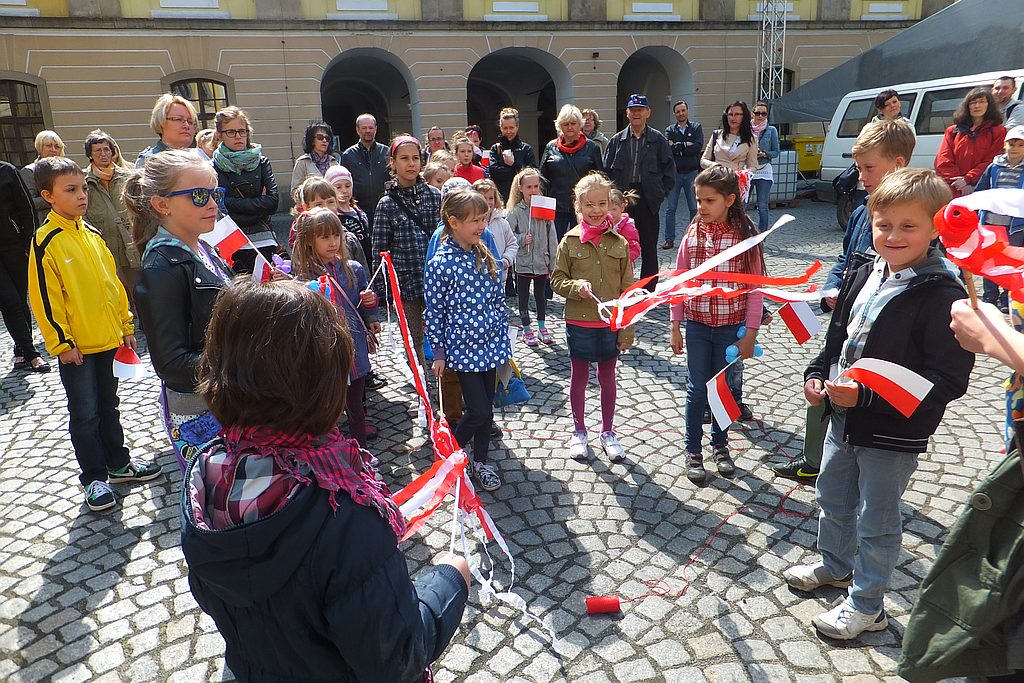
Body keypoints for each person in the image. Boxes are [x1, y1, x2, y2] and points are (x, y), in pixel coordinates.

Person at [180, 279, 470, 682]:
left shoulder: (206, 477)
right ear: (326, 382)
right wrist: (449, 580)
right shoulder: (345, 510)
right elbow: (396, 657)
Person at [783, 168, 974, 640]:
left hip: (892, 431)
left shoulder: (944, 296)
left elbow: (947, 380)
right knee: (832, 496)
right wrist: (815, 373)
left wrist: (867, 394)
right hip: (841, 417)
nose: (892, 235)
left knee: (877, 517)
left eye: (908, 226)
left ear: (935, 229)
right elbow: (840, 340)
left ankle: (868, 605)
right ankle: (835, 566)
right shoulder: (866, 272)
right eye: (883, 224)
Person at [776, 117, 915, 484]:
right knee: (821, 382)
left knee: (852, 400)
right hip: (844, 326)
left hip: (876, 338)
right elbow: (844, 260)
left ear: (898, 164)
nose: (861, 175)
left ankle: (846, 467)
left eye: (868, 167)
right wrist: (834, 287)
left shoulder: (914, 222)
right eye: (858, 167)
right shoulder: (859, 212)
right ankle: (814, 460)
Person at [28, 157, 162, 511]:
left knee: (109, 405)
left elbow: (113, 285)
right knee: (85, 413)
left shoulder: (92, 234)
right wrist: (62, 343)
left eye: (83, 188)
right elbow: (45, 299)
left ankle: (118, 464)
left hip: (108, 340)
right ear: (49, 196)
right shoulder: (46, 240)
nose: (81, 196)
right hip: (78, 349)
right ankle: (94, 478)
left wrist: (125, 326)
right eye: (70, 190)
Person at [128, 149, 233, 471]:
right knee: (219, 497)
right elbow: (172, 363)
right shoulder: (161, 268)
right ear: (162, 205)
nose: (213, 204)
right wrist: (245, 360)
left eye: (216, 193)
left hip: (227, 395)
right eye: (200, 196)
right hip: (202, 406)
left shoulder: (203, 247)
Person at [671, 166, 765, 484]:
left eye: (709, 200)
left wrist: (750, 333)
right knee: (697, 389)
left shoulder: (745, 237)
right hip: (697, 326)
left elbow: (755, 289)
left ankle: (720, 446)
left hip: (729, 328)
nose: (701, 206)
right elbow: (679, 282)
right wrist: (675, 324)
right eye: (698, 200)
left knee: (721, 390)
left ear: (729, 199)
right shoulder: (692, 234)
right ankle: (693, 451)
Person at [425, 189, 511, 491]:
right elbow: (434, 312)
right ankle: (449, 456)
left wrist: (503, 334)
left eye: (484, 219)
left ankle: (481, 461)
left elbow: (498, 299)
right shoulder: (440, 265)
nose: (481, 226)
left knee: (487, 408)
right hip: (462, 351)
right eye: (475, 220)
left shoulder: (483, 253)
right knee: (479, 410)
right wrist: (438, 352)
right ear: (453, 221)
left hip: (491, 345)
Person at [552, 171, 635, 462]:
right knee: (579, 376)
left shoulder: (620, 243)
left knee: (607, 376)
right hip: (578, 320)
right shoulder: (569, 242)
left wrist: (626, 330)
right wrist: (575, 287)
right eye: (589, 205)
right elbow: (556, 279)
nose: (596, 210)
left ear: (611, 205)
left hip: (609, 322)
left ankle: (608, 432)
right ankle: (579, 431)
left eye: (602, 204)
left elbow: (629, 291)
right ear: (578, 207)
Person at [292, 208, 380, 447]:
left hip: (355, 350)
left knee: (356, 408)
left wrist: (371, 305)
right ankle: (330, 455)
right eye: (324, 237)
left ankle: (360, 453)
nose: (333, 242)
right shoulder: (302, 276)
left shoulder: (353, 268)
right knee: (327, 408)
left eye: (336, 235)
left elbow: (363, 302)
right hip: (325, 352)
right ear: (310, 241)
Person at [372, 135, 442, 377]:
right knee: (414, 341)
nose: (410, 163)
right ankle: (425, 395)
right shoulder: (386, 204)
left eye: (415, 158)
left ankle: (452, 393)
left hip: (438, 280)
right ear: (393, 163)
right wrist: (385, 293)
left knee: (445, 335)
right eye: (404, 158)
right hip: (406, 284)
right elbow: (379, 251)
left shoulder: (435, 196)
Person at [604, 94, 675, 289]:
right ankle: (618, 285)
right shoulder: (617, 141)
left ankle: (648, 289)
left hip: (648, 199)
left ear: (648, 113)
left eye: (640, 109)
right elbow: (606, 171)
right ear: (627, 113)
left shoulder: (658, 140)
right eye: (633, 110)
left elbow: (669, 172)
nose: (636, 113)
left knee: (649, 245)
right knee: (617, 244)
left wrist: (659, 195)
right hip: (621, 199)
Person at [212, 106, 280, 275]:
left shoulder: (261, 161)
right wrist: (258, 208)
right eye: (231, 132)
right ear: (220, 134)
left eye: (242, 131)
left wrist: (232, 203)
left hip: (263, 236)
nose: (238, 136)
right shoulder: (212, 166)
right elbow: (220, 207)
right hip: (230, 238)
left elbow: (272, 202)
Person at [84, 130, 142, 315]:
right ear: (90, 155)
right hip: (103, 243)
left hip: (130, 244)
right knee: (113, 293)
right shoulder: (84, 181)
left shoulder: (128, 176)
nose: (103, 154)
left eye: (106, 149)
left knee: (138, 289)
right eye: (98, 150)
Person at [0, 159, 48, 373]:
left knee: (19, 300)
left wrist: (30, 241)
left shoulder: (7, 171)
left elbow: (26, 207)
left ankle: (21, 350)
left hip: (14, 246)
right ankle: (32, 353)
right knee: (9, 300)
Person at [506, 167, 557, 347]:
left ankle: (542, 327)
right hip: (523, 263)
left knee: (541, 296)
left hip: (541, 261)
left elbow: (552, 236)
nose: (533, 190)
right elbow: (509, 235)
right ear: (520, 188)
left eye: (536, 186)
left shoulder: (544, 207)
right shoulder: (515, 211)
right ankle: (527, 329)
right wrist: (521, 239)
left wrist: (553, 263)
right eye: (529, 187)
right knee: (523, 298)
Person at [975, 125, 1024, 311]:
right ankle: (989, 296)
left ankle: (1006, 297)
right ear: (1005, 145)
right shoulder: (994, 167)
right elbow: (982, 188)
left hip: (1015, 226)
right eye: (1012, 143)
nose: (1015, 148)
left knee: (1009, 262)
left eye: (1020, 144)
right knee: (989, 260)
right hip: (991, 222)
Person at [539, 104, 604, 241]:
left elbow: (600, 178)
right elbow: (542, 179)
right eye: (565, 124)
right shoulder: (551, 147)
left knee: (583, 243)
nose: (569, 127)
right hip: (556, 207)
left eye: (573, 123)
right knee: (555, 244)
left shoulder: (592, 147)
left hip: (584, 207)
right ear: (559, 126)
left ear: (579, 124)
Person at [934, 86, 1007, 197]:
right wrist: (960, 183)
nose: (977, 106)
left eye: (982, 102)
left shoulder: (999, 131)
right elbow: (943, 160)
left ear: (989, 105)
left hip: (983, 188)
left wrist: (968, 179)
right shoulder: (953, 131)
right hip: (954, 188)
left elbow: (993, 160)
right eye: (973, 102)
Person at [292, 177, 368, 270]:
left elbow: (364, 276)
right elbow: (298, 275)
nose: (326, 208)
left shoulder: (349, 239)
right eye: (319, 204)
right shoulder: (303, 242)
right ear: (306, 207)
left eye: (330, 202)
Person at [662, 100, 704, 250]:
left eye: (683, 110)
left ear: (687, 111)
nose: (681, 113)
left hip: (692, 173)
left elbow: (698, 147)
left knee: (694, 208)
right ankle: (669, 239)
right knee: (670, 209)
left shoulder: (696, 127)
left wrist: (679, 146)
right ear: (675, 114)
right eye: (678, 111)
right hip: (675, 174)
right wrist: (687, 144)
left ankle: (695, 237)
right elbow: (668, 149)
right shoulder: (669, 130)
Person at [342, 114, 391, 226]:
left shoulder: (386, 153)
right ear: (357, 130)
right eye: (364, 128)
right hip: (358, 211)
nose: (368, 131)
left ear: (376, 129)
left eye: (370, 127)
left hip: (384, 210)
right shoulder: (348, 156)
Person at [486, 107, 537, 202]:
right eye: (505, 128)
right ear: (500, 128)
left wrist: (513, 164)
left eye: (511, 128)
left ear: (517, 127)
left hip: (522, 199)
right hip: (502, 198)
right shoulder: (495, 149)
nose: (508, 131)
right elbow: (494, 171)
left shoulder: (526, 149)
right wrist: (516, 171)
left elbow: (531, 174)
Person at [136, 94, 199, 167]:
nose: (187, 125)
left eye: (190, 121)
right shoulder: (150, 162)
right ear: (161, 122)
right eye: (178, 119)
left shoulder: (201, 161)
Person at [473, 178, 518, 278]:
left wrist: (506, 260)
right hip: (478, 275)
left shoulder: (502, 223)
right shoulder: (472, 224)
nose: (488, 202)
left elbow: (512, 244)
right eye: (483, 198)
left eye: (491, 198)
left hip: (500, 275)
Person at [21, 130, 66, 226]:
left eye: (57, 146)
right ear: (40, 148)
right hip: (44, 224)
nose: (53, 150)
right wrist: (55, 199)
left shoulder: (67, 170)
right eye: (49, 146)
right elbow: (28, 201)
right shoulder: (30, 171)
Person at [701, 101, 759, 174]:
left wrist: (743, 173)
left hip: (736, 180)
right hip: (716, 179)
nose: (733, 118)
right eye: (730, 114)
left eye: (737, 114)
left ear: (744, 116)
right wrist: (715, 166)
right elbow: (703, 161)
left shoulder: (752, 139)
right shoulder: (717, 134)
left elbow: (753, 166)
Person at [749, 101, 780, 234]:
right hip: (748, 170)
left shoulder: (771, 130)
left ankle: (762, 237)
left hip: (764, 169)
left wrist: (765, 153)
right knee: (742, 204)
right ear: (752, 113)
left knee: (762, 206)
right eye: (758, 113)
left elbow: (776, 151)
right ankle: (742, 234)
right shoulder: (746, 129)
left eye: (764, 114)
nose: (760, 116)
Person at [291, 121, 340, 193]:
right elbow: (295, 191)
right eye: (320, 137)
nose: (324, 140)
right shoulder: (302, 162)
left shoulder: (334, 162)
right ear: (312, 141)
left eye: (327, 138)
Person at [608, 188, 640, 264]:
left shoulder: (628, 228)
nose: (610, 213)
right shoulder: (603, 224)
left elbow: (635, 248)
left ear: (622, 207)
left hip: (622, 267)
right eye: (607, 210)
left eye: (614, 209)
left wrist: (624, 260)